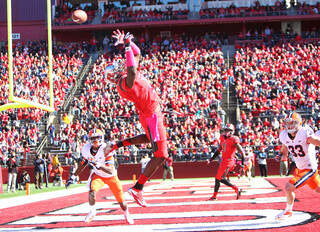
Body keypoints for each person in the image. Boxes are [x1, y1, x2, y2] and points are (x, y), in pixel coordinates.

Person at [104, 30, 169, 208]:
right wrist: (125, 48)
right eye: (115, 69)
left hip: (149, 113)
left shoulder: (124, 77)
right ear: (113, 76)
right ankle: (138, 188)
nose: (119, 67)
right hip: (151, 116)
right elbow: (132, 70)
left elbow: (138, 53)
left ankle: (118, 144)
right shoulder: (123, 83)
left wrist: (128, 43)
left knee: (149, 140)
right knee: (161, 155)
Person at [65, 128, 134, 224]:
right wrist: (73, 176)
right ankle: (93, 211)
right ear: (89, 139)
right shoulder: (86, 149)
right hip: (98, 175)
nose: (95, 140)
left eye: (97, 137)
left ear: (101, 138)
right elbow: (82, 164)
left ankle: (126, 213)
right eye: (93, 138)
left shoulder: (106, 149)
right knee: (92, 192)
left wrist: (97, 164)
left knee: (122, 202)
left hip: (111, 177)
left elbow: (110, 170)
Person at [275, 112, 320, 220]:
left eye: (293, 123)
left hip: (309, 169)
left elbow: (315, 141)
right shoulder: (284, 135)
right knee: (318, 189)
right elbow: (284, 149)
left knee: (289, 187)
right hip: (301, 169)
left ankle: (288, 211)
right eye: (288, 123)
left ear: (299, 123)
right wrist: (280, 155)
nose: (290, 125)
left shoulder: (304, 132)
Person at [207, 124, 245, 201]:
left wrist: (243, 164)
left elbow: (242, 153)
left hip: (228, 161)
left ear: (232, 132)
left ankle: (237, 188)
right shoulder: (222, 138)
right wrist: (211, 159)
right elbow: (218, 150)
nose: (227, 132)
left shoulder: (234, 139)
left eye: (229, 130)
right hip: (223, 160)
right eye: (226, 130)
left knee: (220, 178)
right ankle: (214, 196)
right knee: (217, 178)